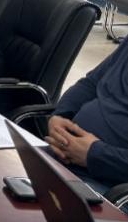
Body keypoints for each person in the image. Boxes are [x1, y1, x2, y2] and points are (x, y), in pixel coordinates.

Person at [45, 38, 128, 204]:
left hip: (110, 189)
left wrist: (94, 155)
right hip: (62, 156)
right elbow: (90, 84)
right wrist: (60, 116)